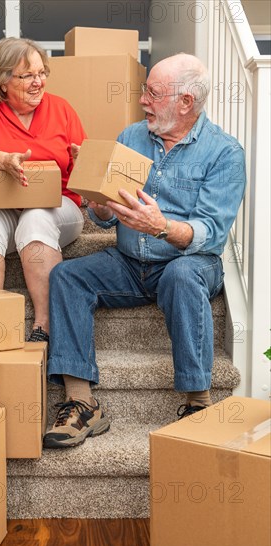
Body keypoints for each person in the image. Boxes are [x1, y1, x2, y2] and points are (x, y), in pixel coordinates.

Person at [43, 53, 246, 449]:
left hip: (189, 262)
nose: (142, 101)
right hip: (128, 262)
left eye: (153, 92)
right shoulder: (131, 137)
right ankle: (81, 403)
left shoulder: (224, 153)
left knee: (182, 275)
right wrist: (98, 201)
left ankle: (197, 402)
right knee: (66, 275)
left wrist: (162, 226)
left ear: (185, 102)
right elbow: (103, 218)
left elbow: (211, 231)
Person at [0, 37, 86, 342]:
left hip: (58, 205)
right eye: (28, 75)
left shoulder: (61, 109)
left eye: (42, 73)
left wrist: (85, 162)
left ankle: (44, 323)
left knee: (35, 218)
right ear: (3, 81)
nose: (38, 82)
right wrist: (2, 160)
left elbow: (85, 162)